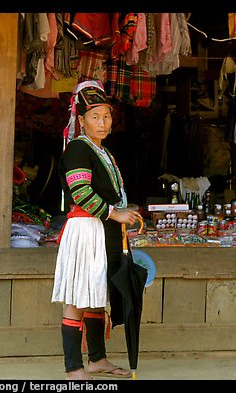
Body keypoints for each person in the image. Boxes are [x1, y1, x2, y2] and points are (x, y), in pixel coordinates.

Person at [51, 80, 143, 380]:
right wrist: (115, 213)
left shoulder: (102, 151)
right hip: (85, 230)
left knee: (95, 294)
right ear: (81, 121)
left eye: (106, 116)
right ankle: (73, 368)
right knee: (79, 297)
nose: (102, 123)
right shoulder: (79, 149)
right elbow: (81, 194)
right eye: (94, 117)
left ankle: (97, 360)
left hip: (102, 230)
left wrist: (123, 215)